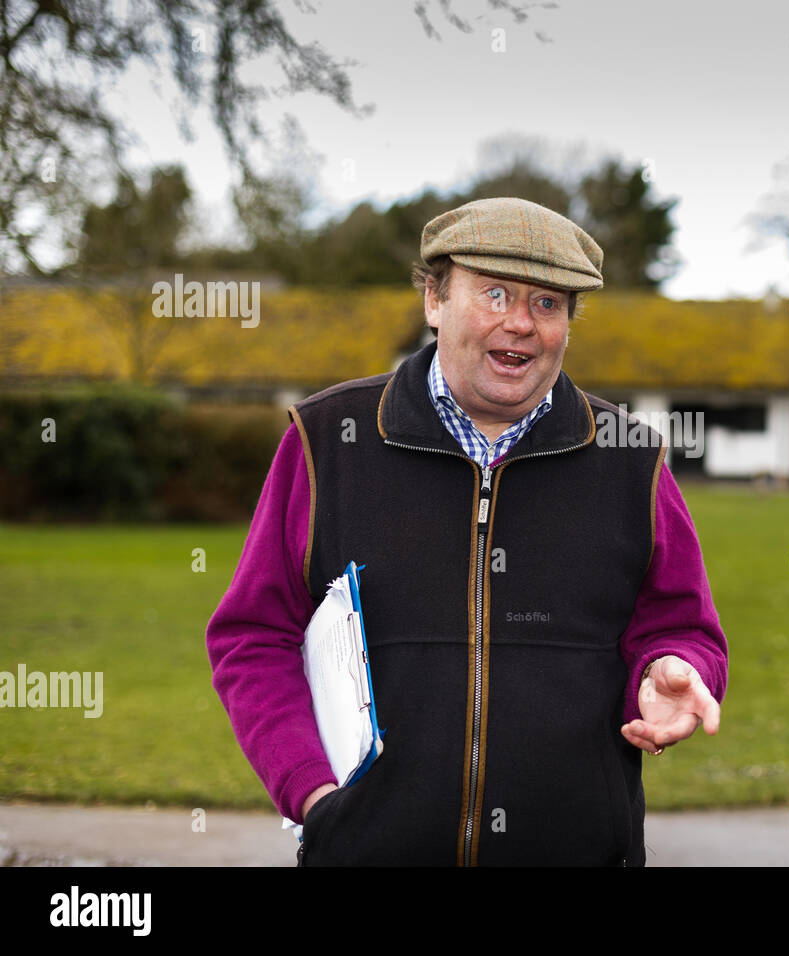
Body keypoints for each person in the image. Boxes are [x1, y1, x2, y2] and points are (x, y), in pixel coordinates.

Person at [205, 196, 729, 866]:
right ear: (434, 299)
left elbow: (681, 626)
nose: (520, 324)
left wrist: (669, 668)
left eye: (547, 303)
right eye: (494, 293)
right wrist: (312, 793)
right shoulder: (328, 440)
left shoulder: (633, 458)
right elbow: (253, 636)